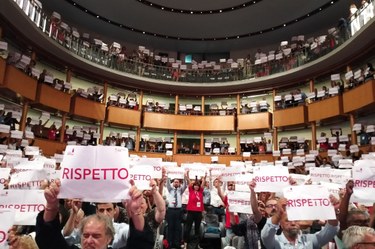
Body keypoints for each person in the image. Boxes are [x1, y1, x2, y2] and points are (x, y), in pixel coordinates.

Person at [35, 179, 144, 249]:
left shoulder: (121, 229)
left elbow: (140, 244)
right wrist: (51, 206)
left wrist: (136, 212)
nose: (89, 241)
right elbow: (48, 240)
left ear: (109, 239)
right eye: (85, 235)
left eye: (96, 236)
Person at [261, 198, 339, 248]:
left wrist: (332, 211)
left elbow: (331, 231)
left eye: (296, 220)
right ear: (280, 224)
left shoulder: (310, 240)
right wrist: (278, 214)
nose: (293, 223)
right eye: (288, 220)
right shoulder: (275, 242)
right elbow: (265, 235)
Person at [125, 179, 165, 249]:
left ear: (147, 205)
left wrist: (155, 192)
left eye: (142, 203)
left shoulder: (151, 216)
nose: (139, 205)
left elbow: (161, 210)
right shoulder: (130, 216)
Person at [184, 171, 206, 247]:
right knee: (188, 228)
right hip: (190, 212)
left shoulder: (200, 191)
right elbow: (189, 182)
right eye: (195, 185)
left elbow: (203, 183)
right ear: (193, 186)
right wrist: (187, 175)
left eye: (197, 185)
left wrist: (205, 177)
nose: (196, 186)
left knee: (197, 228)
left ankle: (197, 244)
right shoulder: (191, 190)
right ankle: (185, 242)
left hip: (198, 212)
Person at [165, 175, 187, 249]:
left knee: (178, 228)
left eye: (177, 182)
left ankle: (177, 244)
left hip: (178, 211)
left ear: (179, 183)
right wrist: (168, 175)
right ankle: (170, 244)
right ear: (173, 183)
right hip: (170, 210)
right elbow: (167, 183)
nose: (176, 183)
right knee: (170, 227)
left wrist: (185, 177)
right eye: (175, 182)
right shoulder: (170, 189)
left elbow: (185, 185)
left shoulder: (180, 190)